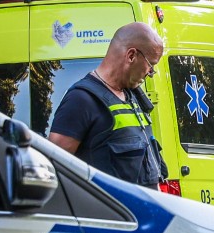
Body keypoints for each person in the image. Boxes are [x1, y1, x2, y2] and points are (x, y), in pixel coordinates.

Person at [48, 22, 168, 188]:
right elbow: (53, 168)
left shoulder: (132, 96)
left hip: (144, 210)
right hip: (111, 213)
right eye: (151, 65)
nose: (151, 74)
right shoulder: (81, 100)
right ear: (131, 55)